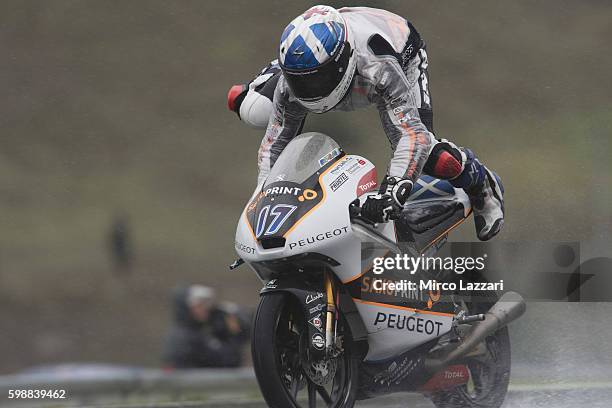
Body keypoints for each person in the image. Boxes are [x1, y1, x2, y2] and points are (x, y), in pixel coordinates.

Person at [228, 5, 504, 241]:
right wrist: (260, 201)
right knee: (250, 107)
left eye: (316, 79)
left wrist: (393, 190)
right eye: (300, 79)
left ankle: (481, 183)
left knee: (429, 154)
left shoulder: (379, 66)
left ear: (341, 60)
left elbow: (412, 135)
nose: (308, 90)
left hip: (399, 49)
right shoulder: (290, 86)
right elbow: (273, 147)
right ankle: (261, 83)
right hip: (343, 43)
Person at [162, 285, 249, 369]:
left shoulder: (193, 333)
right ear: (185, 308)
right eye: (199, 305)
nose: (205, 308)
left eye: (206, 304)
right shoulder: (186, 337)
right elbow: (227, 362)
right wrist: (235, 334)